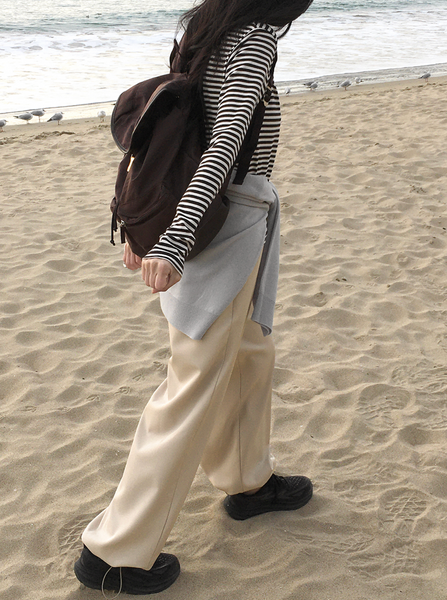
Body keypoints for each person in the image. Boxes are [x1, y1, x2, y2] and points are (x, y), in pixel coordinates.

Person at [74, 0, 314, 594]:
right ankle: (114, 553)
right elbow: (222, 144)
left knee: (250, 352)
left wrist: (148, 226)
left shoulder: (209, 26)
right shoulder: (252, 38)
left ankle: (248, 481)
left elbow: (172, 134)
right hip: (222, 224)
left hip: (228, 219)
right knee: (191, 385)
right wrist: (172, 240)